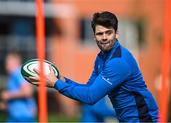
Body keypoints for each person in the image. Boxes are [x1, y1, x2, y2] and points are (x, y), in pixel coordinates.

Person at [27, 11, 159, 122]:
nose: (104, 37)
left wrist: (56, 84)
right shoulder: (101, 58)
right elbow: (89, 89)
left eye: (109, 32)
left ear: (116, 34)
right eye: (100, 34)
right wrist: (63, 80)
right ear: (94, 36)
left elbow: (91, 97)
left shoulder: (118, 62)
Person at [0, 52, 37, 122]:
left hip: (23, 117)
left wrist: (8, 95)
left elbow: (28, 92)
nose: (6, 66)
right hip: (15, 117)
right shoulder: (14, 75)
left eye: (8, 63)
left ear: (15, 62)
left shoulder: (18, 73)